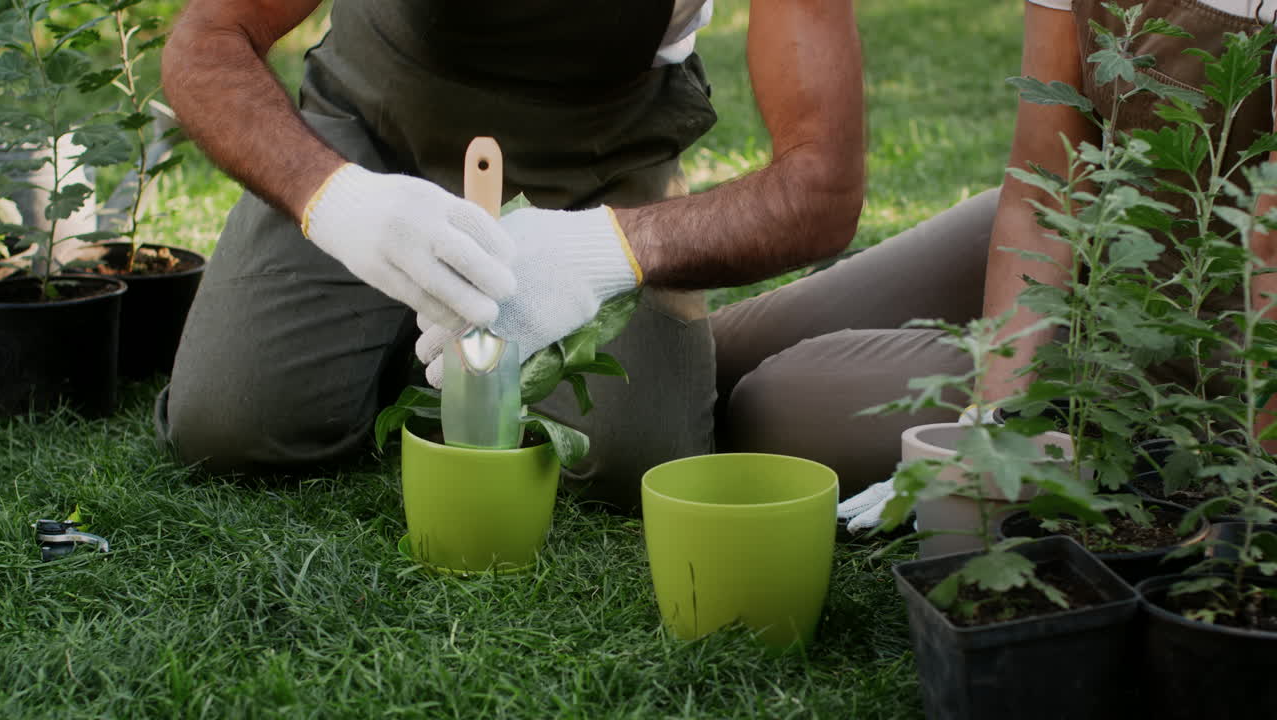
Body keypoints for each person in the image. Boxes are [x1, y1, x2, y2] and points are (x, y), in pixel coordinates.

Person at [157, 0, 869, 508]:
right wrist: (339, 201)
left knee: (631, 462)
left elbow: (823, 188)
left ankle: (440, 329)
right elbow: (208, 37)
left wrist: (608, 248)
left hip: (600, 156)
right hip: (373, 129)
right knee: (232, 428)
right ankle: (399, 325)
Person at [837, 0, 1277, 529]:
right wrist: (989, 425)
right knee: (760, 351)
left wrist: (1256, 500)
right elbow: (1045, 188)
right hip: (1091, 248)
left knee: (782, 402)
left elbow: (1270, 252)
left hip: (1209, 346)